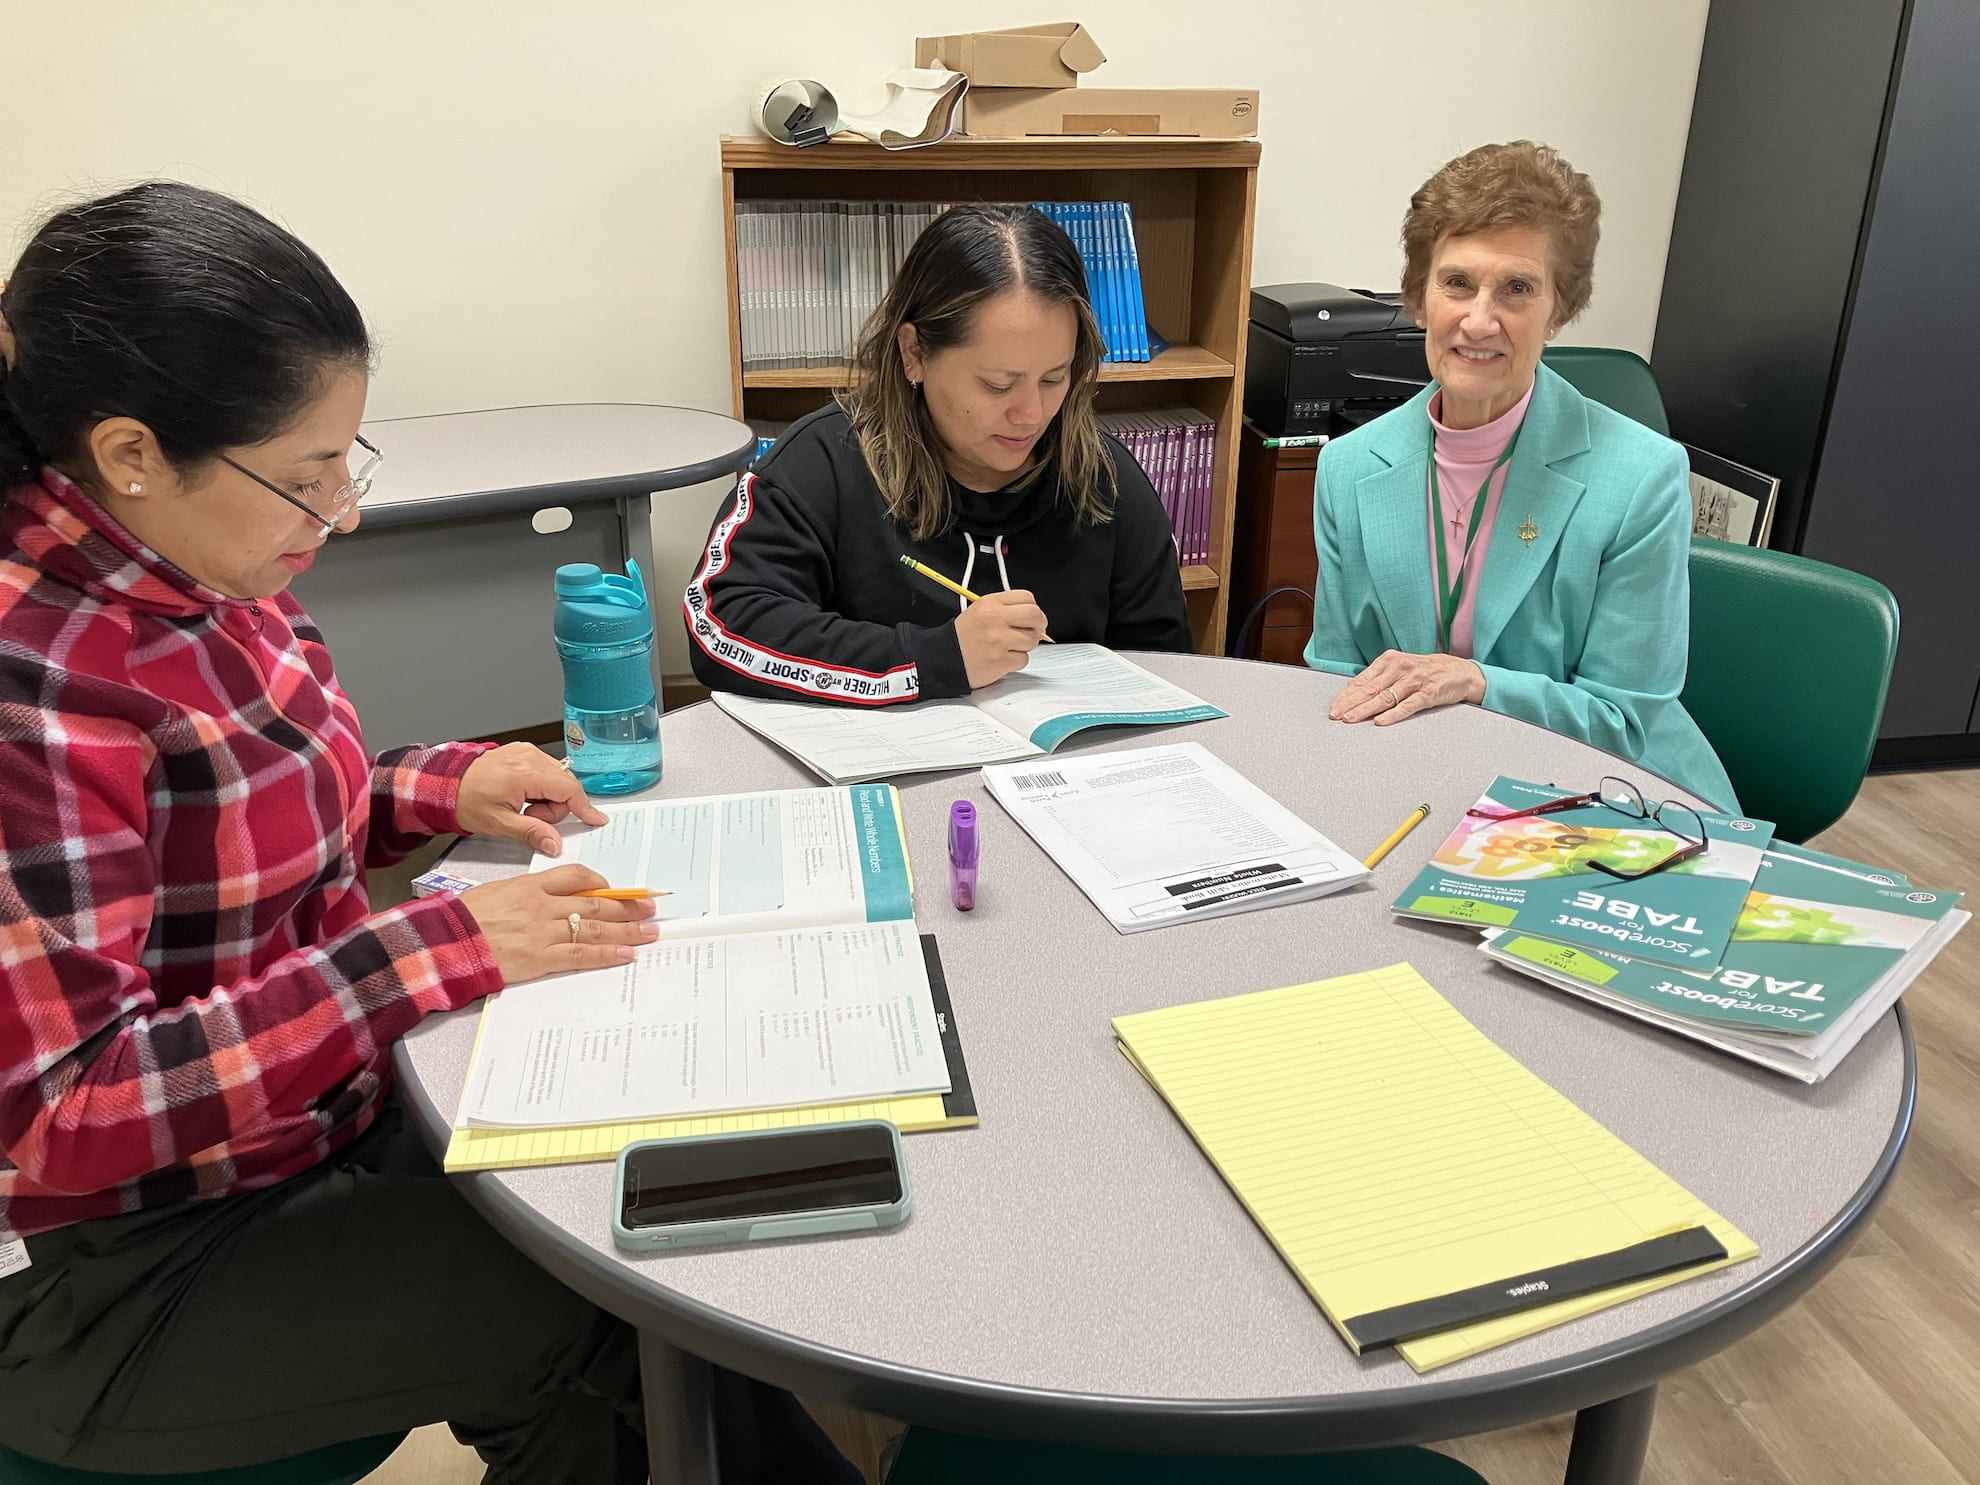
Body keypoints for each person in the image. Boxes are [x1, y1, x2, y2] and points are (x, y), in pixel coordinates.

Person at [0, 183, 855, 1484]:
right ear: (129, 454)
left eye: (349, 457)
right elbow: (67, 1117)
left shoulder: (202, 573)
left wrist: (433, 789)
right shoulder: (41, 691)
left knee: (640, 1204)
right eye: (301, 476)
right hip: (124, 1269)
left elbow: (234, 832)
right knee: (608, 1310)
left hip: (303, 1131)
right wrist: (426, 949)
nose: (338, 509)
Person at [1306, 141, 1738, 811]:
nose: (1479, 320)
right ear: (1419, 298)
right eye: (1456, 283)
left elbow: (1623, 723)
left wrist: (1477, 683)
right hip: (1422, 787)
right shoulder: (1347, 467)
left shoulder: (1644, 478)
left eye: (1517, 288)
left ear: (1560, 310)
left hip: (1609, 800)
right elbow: (1335, 677)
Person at [686, 202, 1192, 704]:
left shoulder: (1108, 478)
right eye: (998, 385)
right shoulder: (823, 463)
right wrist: (932, 658)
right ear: (915, 353)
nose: (1032, 414)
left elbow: (1165, 667)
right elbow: (720, 626)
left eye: (1055, 378)